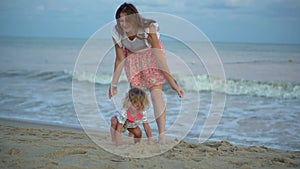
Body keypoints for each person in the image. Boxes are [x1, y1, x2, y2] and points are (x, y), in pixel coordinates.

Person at [109, 2, 184, 143]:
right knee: (135, 98)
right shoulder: (116, 32)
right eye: (120, 20)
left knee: (156, 95)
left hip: (152, 56)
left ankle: (161, 135)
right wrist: (114, 84)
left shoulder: (148, 29)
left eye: (127, 19)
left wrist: (173, 84)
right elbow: (119, 59)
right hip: (133, 58)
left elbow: (160, 59)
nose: (124, 24)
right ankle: (133, 131)